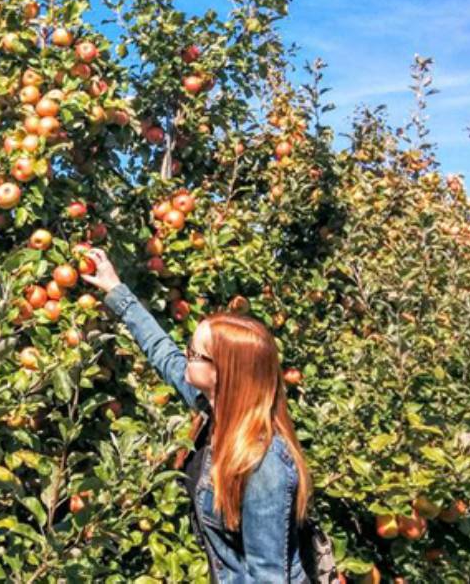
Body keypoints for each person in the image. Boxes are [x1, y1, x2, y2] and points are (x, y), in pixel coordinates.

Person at [81, 248, 313, 583]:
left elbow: (268, 577)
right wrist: (116, 290)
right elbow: (163, 353)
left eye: (195, 354)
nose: (185, 356)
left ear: (224, 373)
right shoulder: (213, 408)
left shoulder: (264, 464)